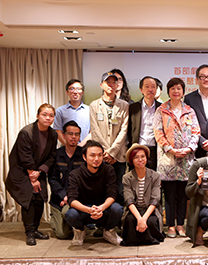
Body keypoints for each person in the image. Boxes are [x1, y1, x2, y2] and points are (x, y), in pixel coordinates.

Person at [154, 77, 200, 238]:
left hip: (186, 160)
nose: (176, 91)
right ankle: (171, 226)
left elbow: (196, 132)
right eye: (172, 88)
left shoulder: (189, 110)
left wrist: (189, 148)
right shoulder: (161, 110)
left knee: (182, 194)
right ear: (168, 91)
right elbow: (158, 132)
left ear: (183, 91)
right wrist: (171, 150)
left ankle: (181, 225)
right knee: (170, 194)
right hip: (168, 159)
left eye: (178, 88)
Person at [5, 103, 58, 246]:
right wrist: (32, 177)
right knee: (30, 197)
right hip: (22, 170)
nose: (48, 118)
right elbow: (25, 156)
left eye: (51, 115)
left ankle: (35, 229)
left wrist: (39, 172)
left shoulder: (53, 134)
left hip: (38, 170)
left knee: (40, 198)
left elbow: (52, 156)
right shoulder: (26, 132)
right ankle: (29, 233)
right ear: (37, 116)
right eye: (44, 115)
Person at [65, 140, 123, 246]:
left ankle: (109, 232)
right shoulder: (75, 174)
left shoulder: (109, 170)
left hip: (103, 209)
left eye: (99, 155)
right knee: (70, 214)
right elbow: (72, 199)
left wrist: (102, 207)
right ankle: (79, 232)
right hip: (84, 210)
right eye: (92, 155)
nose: (96, 159)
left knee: (117, 209)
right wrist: (89, 210)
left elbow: (112, 194)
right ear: (84, 157)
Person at [90, 71, 129, 205]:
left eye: (114, 82)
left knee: (119, 189)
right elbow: (95, 131)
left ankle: (118, 220)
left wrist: (112, 152)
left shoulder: (124, 105)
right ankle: (101, 220)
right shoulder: (94, 105)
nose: (111, 85)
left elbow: (124, 130)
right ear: (102, 85)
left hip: (119, 155)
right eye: (108, 82)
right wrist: (106, 152)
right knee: (101, 188)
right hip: (101, 156)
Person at [121, 143, 165, 246]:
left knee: (151, 221)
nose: (140, 160)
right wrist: (139, 219)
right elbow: (129, 200)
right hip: (135, 209)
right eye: (136, 157)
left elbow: (155, 199)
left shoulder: (155, 176)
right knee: (130, 220)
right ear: (131, 160)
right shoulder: (127, 177)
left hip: (150, 210)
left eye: (142, 156)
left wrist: (143, 219)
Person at [48, 121, 84, 239]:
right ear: (64, 135)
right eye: (70, 133)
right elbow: (53, 179)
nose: (73, 137)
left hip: (77, 198)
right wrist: (64, 196)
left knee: (67, 212)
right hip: (59, 200)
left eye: (77, 134)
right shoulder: (56, 155)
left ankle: (79, 224)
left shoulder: (83, 155)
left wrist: (72, 197)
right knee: (62, 234)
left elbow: (85, 180)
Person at [128, 76, 162, 170]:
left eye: (153, 87)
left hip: (155, 151)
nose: (150, 89)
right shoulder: (133, 108)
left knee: (153, 180)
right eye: (147, 87)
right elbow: (129, 130)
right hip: (137, 149)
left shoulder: (162, 108)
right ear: (141, 90)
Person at [53, 79, 90, 145]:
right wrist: (68, 146)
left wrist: (81, 146)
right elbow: (58, 131)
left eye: (78, 89)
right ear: (67, 92)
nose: (75, 92)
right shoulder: (60, 111)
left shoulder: (90, 110)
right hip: (66, 149)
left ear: (82, 92)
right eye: (72, 89)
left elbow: (92, 132)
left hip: (85, 148)